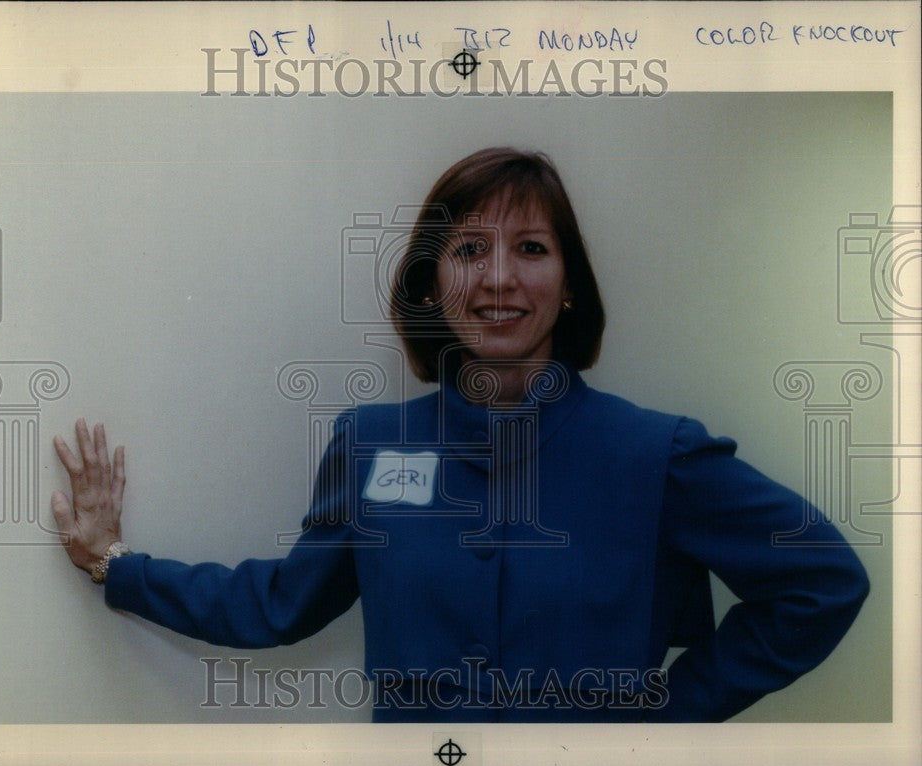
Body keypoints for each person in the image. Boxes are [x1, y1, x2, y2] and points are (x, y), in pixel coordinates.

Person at [52, 147, 869, 722]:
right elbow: (277, 604)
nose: (500, 277)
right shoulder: (369, 445)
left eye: (532, 248)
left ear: (570, 286)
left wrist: (666, 718)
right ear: (432, 284)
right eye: (469, 249)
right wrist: (113, 563)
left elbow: (822, 582)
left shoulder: (657, 455)